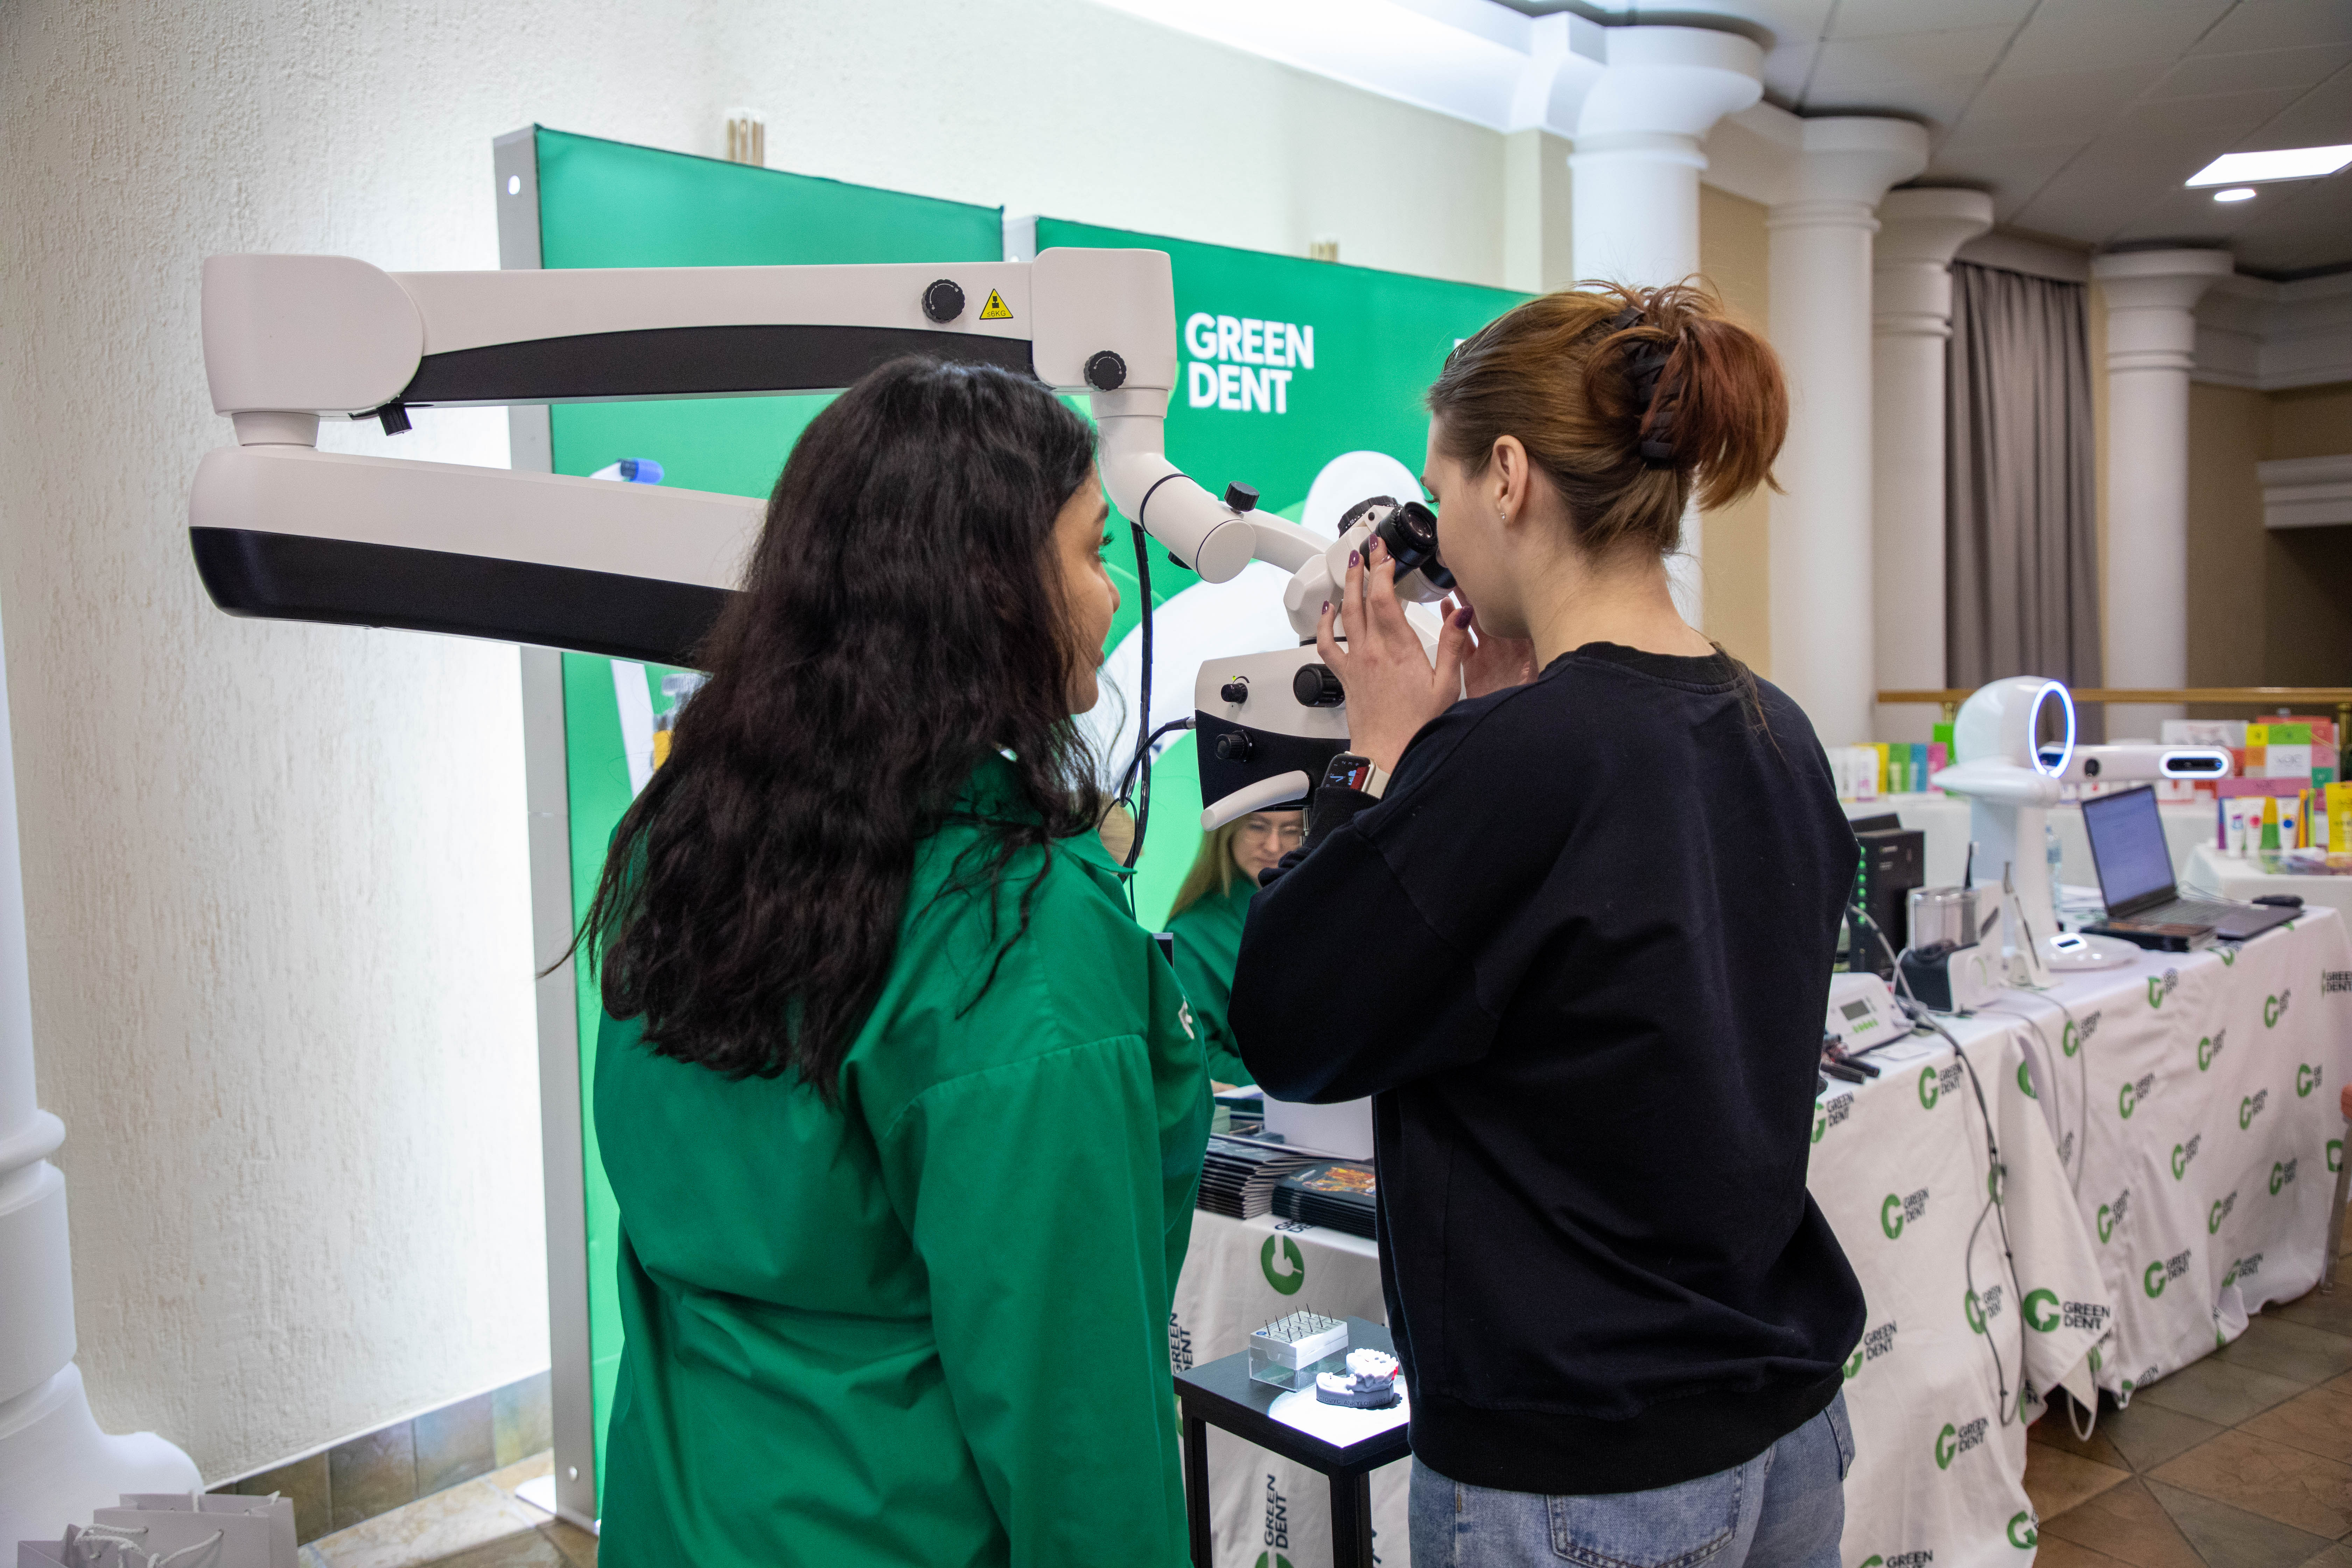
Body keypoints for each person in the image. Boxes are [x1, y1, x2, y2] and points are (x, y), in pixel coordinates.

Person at [1230, 282, 1865, 1568]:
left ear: (1509, 476)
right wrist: (1474, 742)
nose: (1439, 535)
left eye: (1441, 490)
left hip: (1586, 1468)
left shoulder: (1518, 760)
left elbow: (1291, 1023)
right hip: (1783, 1426)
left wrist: (1379, 762)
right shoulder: (1773, 728)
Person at [575, 359, 1207, 1567]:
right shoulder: (1014, 935)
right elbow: (1076, 1421)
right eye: (1091, 552)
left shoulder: (684, 841)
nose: (1113, 594)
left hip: (682, 1515)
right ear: (988, 584)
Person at [1163, 810, 1302, 1087]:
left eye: (1291, 830)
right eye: (1257, 827)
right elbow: (1197, 1053)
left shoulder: (1330, 909)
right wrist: (1299, 1087)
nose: (1273, 846)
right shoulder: (1191, 934)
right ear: (1227, 831)